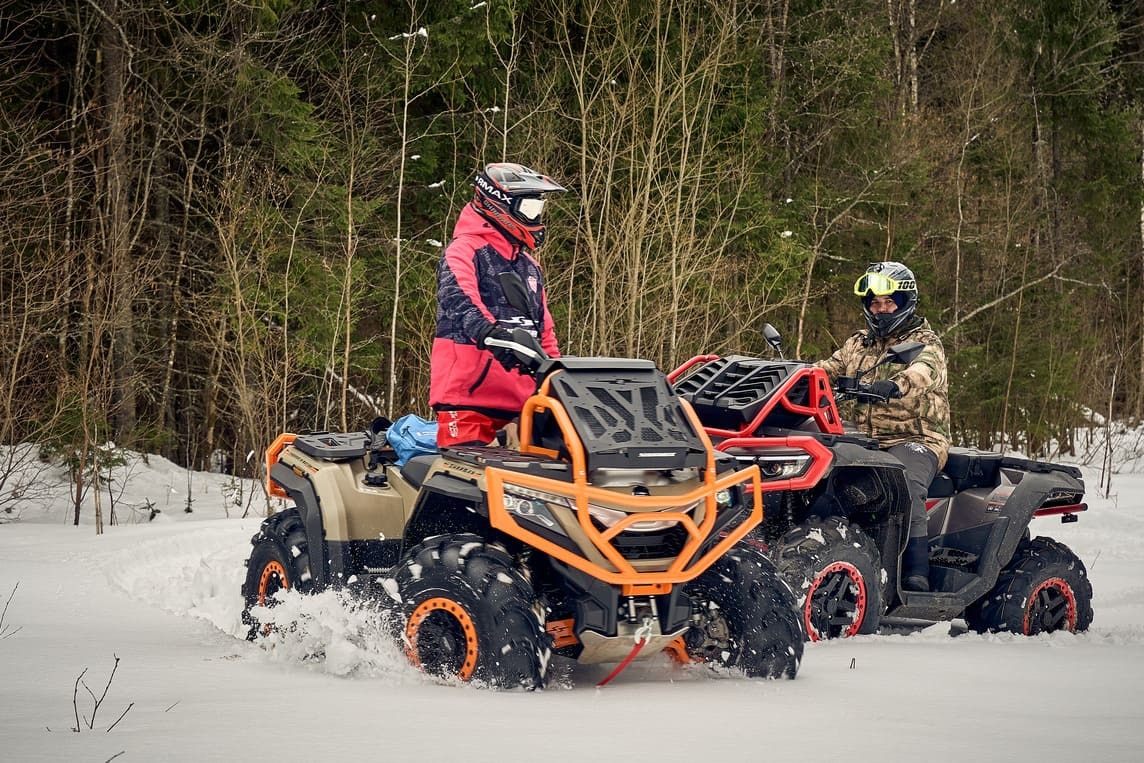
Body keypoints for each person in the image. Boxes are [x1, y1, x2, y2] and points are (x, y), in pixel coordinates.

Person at [816, 261, 951, 592]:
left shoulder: (925, 342)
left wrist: (895, 385)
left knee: (906, 483)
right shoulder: (858, 344)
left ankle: (916, 573)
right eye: (875, 303)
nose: (881, 310)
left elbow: (925, 371)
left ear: (905, 303)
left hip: (916, 437)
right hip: (863, 438)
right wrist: (795, 378)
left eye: (889, 302)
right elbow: (825, 370)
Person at [429, 162, 566, 447]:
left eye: (538, 209)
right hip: (469, 402)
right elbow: (458, 300)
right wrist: (493, 336)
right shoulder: (464, 250)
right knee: (469, 474)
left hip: (522, 406)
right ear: (499, 205)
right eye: (529, 209)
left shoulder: (529, 266)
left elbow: (545, 331)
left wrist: (556, 378)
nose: (536, 217)